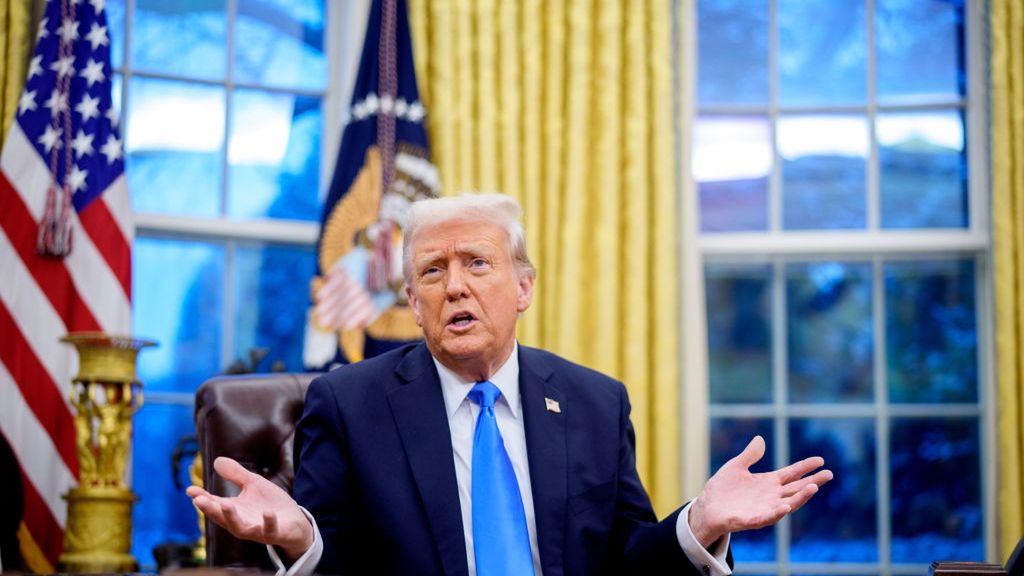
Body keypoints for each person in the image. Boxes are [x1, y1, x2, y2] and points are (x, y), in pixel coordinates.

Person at [188, 193, 833, 576]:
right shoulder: (350, 403)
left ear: (523, 288)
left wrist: (698, 523)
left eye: (477, 263)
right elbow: (338, 555)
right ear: (413, 302)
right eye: (434, 271)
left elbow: (626, 563)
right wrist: (298, 535)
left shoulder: (594, 403)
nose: (456, 286)